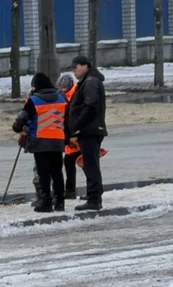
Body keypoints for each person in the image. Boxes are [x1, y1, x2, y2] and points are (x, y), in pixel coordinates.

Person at [13, 73, 67, 212]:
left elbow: (21, 119)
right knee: (57, 173)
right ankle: (60, 201)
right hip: (58, 139)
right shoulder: (62, 97)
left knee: (44, 174)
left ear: (35, 86)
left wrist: (19, 129)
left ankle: (46, 202)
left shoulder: (34, 100)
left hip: (40, 141)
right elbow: (68, 117)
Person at [66, 56, 107, 211]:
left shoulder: (90, 82)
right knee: (91, 164)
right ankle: (94, 196)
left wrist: (77, 126)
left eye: (75, 67)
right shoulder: (88, 81)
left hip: (89, 130)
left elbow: (90, 106)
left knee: (91, 165)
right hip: (90, 129)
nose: (73, 70)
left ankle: (94, 199)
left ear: (85, 66)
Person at [56, 74, 80, 199]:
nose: (62, 90)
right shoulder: (69, 95)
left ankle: (71, 191)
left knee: (73, 161)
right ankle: (70, 191)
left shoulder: (74, 95)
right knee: (72, 161)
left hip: (76, 134)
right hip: (74, 134)